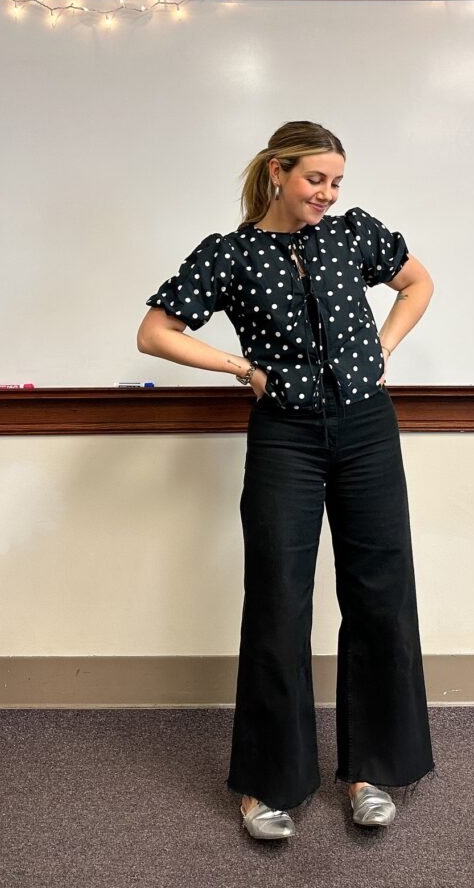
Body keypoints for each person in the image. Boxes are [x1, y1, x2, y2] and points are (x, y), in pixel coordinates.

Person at [137, 120, 436, 840]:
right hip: (287, 436)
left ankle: (370, 772)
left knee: (379, 591)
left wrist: (383, 345)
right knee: (277, 597)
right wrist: (241, 368)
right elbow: (155, 332)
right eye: (315, 180)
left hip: (366, 427)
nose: (327, 194)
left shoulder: (352, 233)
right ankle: (268, 785)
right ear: (278, 171)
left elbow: (417, 281)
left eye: (336, 182)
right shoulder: (232, 254)